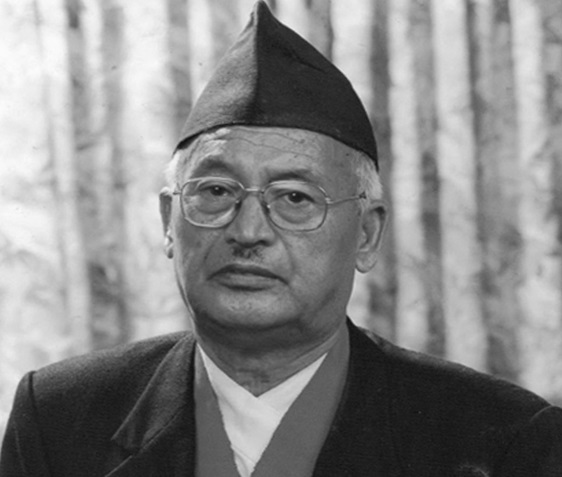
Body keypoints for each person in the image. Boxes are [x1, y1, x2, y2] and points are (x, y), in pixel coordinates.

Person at [1, 1, 561, 476]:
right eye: (216, 191)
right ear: (169, 219)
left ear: (367, 234)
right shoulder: (58, 417)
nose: (248, 232)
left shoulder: (504, 438)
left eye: (295, 198)